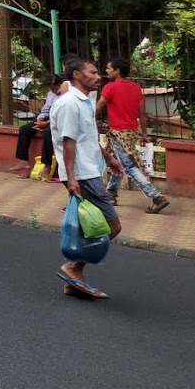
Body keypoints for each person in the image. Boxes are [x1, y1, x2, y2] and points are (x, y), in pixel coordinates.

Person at [52, 56, 126, 298]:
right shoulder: (70, 104)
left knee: (90, 226)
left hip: (89, 168)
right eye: (92, 72)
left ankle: (73, 279)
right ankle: (73, 267)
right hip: (82, 173)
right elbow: (68, 141)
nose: (98, 76)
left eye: (97, 72)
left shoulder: (86, 100)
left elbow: (87, 136)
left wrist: (108, 158)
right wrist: (71, 177)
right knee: (111, 225)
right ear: (76, 75)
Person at [98, 56, 170, 214]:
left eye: (109, 68)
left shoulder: (110, 87)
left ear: (117, 71)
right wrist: (144, 133)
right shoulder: (135, 88)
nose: (106, 71)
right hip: (131, 131)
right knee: (118, 161)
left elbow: (97, 109)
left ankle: (156, 196)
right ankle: (111, 192)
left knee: (128, 166)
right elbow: (142, 114)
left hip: (117, 131)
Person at [15, 74, 61, 179]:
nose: (51, 89)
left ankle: (47, 165)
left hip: (58, 120)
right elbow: (46, 109)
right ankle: (23, 160)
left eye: (53, 87)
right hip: (47, 118)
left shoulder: (65, 95)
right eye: (49, 87)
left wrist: (47, 123)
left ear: (59, 84)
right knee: (24, 129)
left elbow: (61, 115)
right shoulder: (51, 94)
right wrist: (40, 118)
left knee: (48, 133)